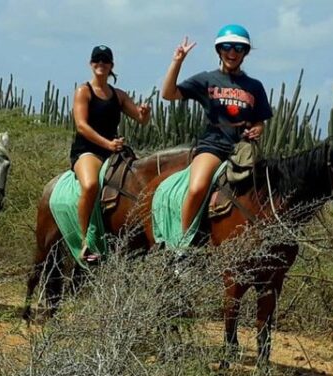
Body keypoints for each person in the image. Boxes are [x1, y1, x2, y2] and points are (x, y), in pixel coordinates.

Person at [161, 24, 273, 236]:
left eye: (238, 48)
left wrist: (258, 130)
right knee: (197, 188)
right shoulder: (206, 79)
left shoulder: (254, 86)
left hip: (243, 150)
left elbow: (260, 121)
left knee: (264, 191)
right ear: (219, 50)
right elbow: (168, 93)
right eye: (227, 47)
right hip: (213, 147)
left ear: (245, 53)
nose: (232, 52)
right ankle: (182, 246)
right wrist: (177, 62)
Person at [71, 45, 151, 262]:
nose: (101, 64)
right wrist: (108, 144)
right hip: (88, 151)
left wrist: (145, 113)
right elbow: (81, 126)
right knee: (90, 185)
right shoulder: (83, 91)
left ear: (111, 66)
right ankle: (84, 240)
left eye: (105, 60)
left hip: (114, 151)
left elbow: (141, 120)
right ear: (91, 64)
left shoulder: (119, 95)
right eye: (97, 60)